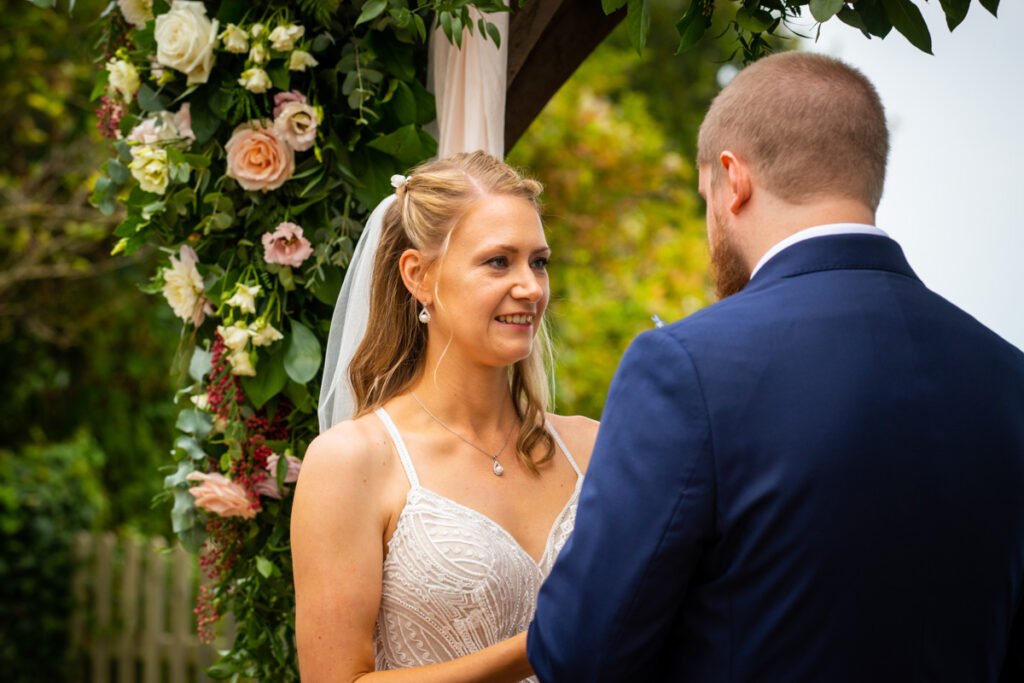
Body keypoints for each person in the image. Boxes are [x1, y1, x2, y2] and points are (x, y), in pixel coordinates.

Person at [527, 51, 1024, 682]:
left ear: (733, 180)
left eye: (705, 195)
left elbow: (578, 654)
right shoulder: (1008, 378)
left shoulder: (684, 368)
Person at [292, 151, 597, 682]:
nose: (530, 287)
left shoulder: (593, 447)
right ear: (420, 276)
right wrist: (536, 648)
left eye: (539, 261)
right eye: (499, 261)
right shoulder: (354, 461)